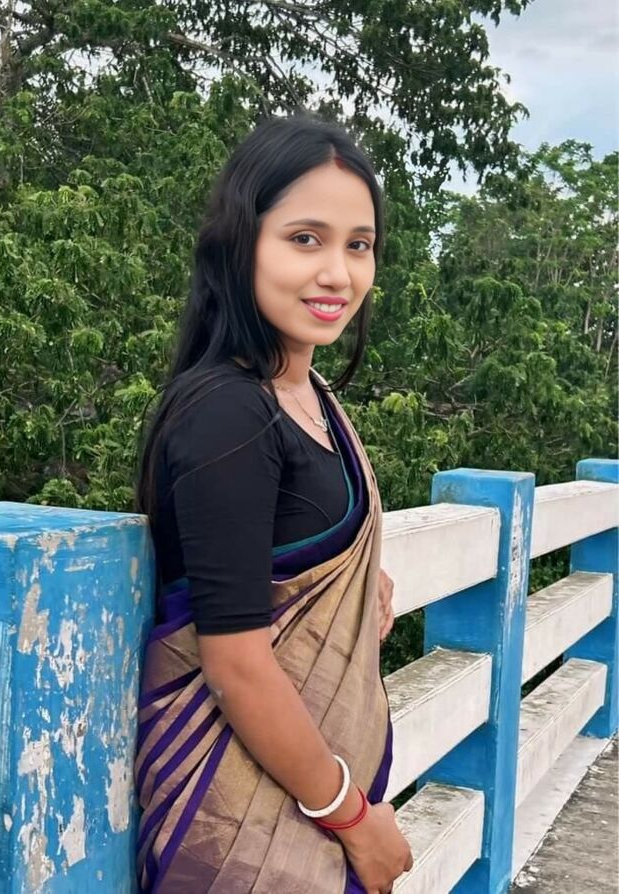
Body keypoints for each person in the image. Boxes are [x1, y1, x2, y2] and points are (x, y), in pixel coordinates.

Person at [133, 111, 414, 893]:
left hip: (300, 795)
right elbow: (236, 664)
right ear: (242, 243)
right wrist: (354, 820)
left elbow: (292, 554)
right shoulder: (228, 412)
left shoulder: (309, 395)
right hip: (239, 822)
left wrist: (356, 585)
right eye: (305, 238)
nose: (338, 273)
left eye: (358, 245)